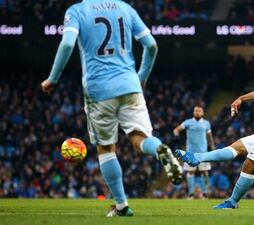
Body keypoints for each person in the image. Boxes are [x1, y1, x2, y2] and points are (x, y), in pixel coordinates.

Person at [41, 0, 183, 217]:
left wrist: (52, 78)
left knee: (106, 149)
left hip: (99, 90)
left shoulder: (77, 11)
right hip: (130, 85)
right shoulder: (125, 8)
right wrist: (141, 77)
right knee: (139, 138)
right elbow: (152, 45)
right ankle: (159, 150)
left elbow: (68, 44)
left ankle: (121, 205)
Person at [175, 55, 254, 209]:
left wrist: (241, 98)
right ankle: (197, 157)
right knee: (236, 147)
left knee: (250, 162)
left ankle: (232, 202)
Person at [173, 106, 215, 199]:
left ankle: (205, 194)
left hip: (203, 153)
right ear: (193, 112)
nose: (197, 112)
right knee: (190, 172)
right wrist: (176, 134)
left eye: (199, 111)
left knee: (205, 172)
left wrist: (212, 145)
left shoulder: (206, 123)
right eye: (196, 111)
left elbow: (209, 136)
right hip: (190, 153)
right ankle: (191, 194)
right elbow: (177, 129)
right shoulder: (188, 122)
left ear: (202, 113)